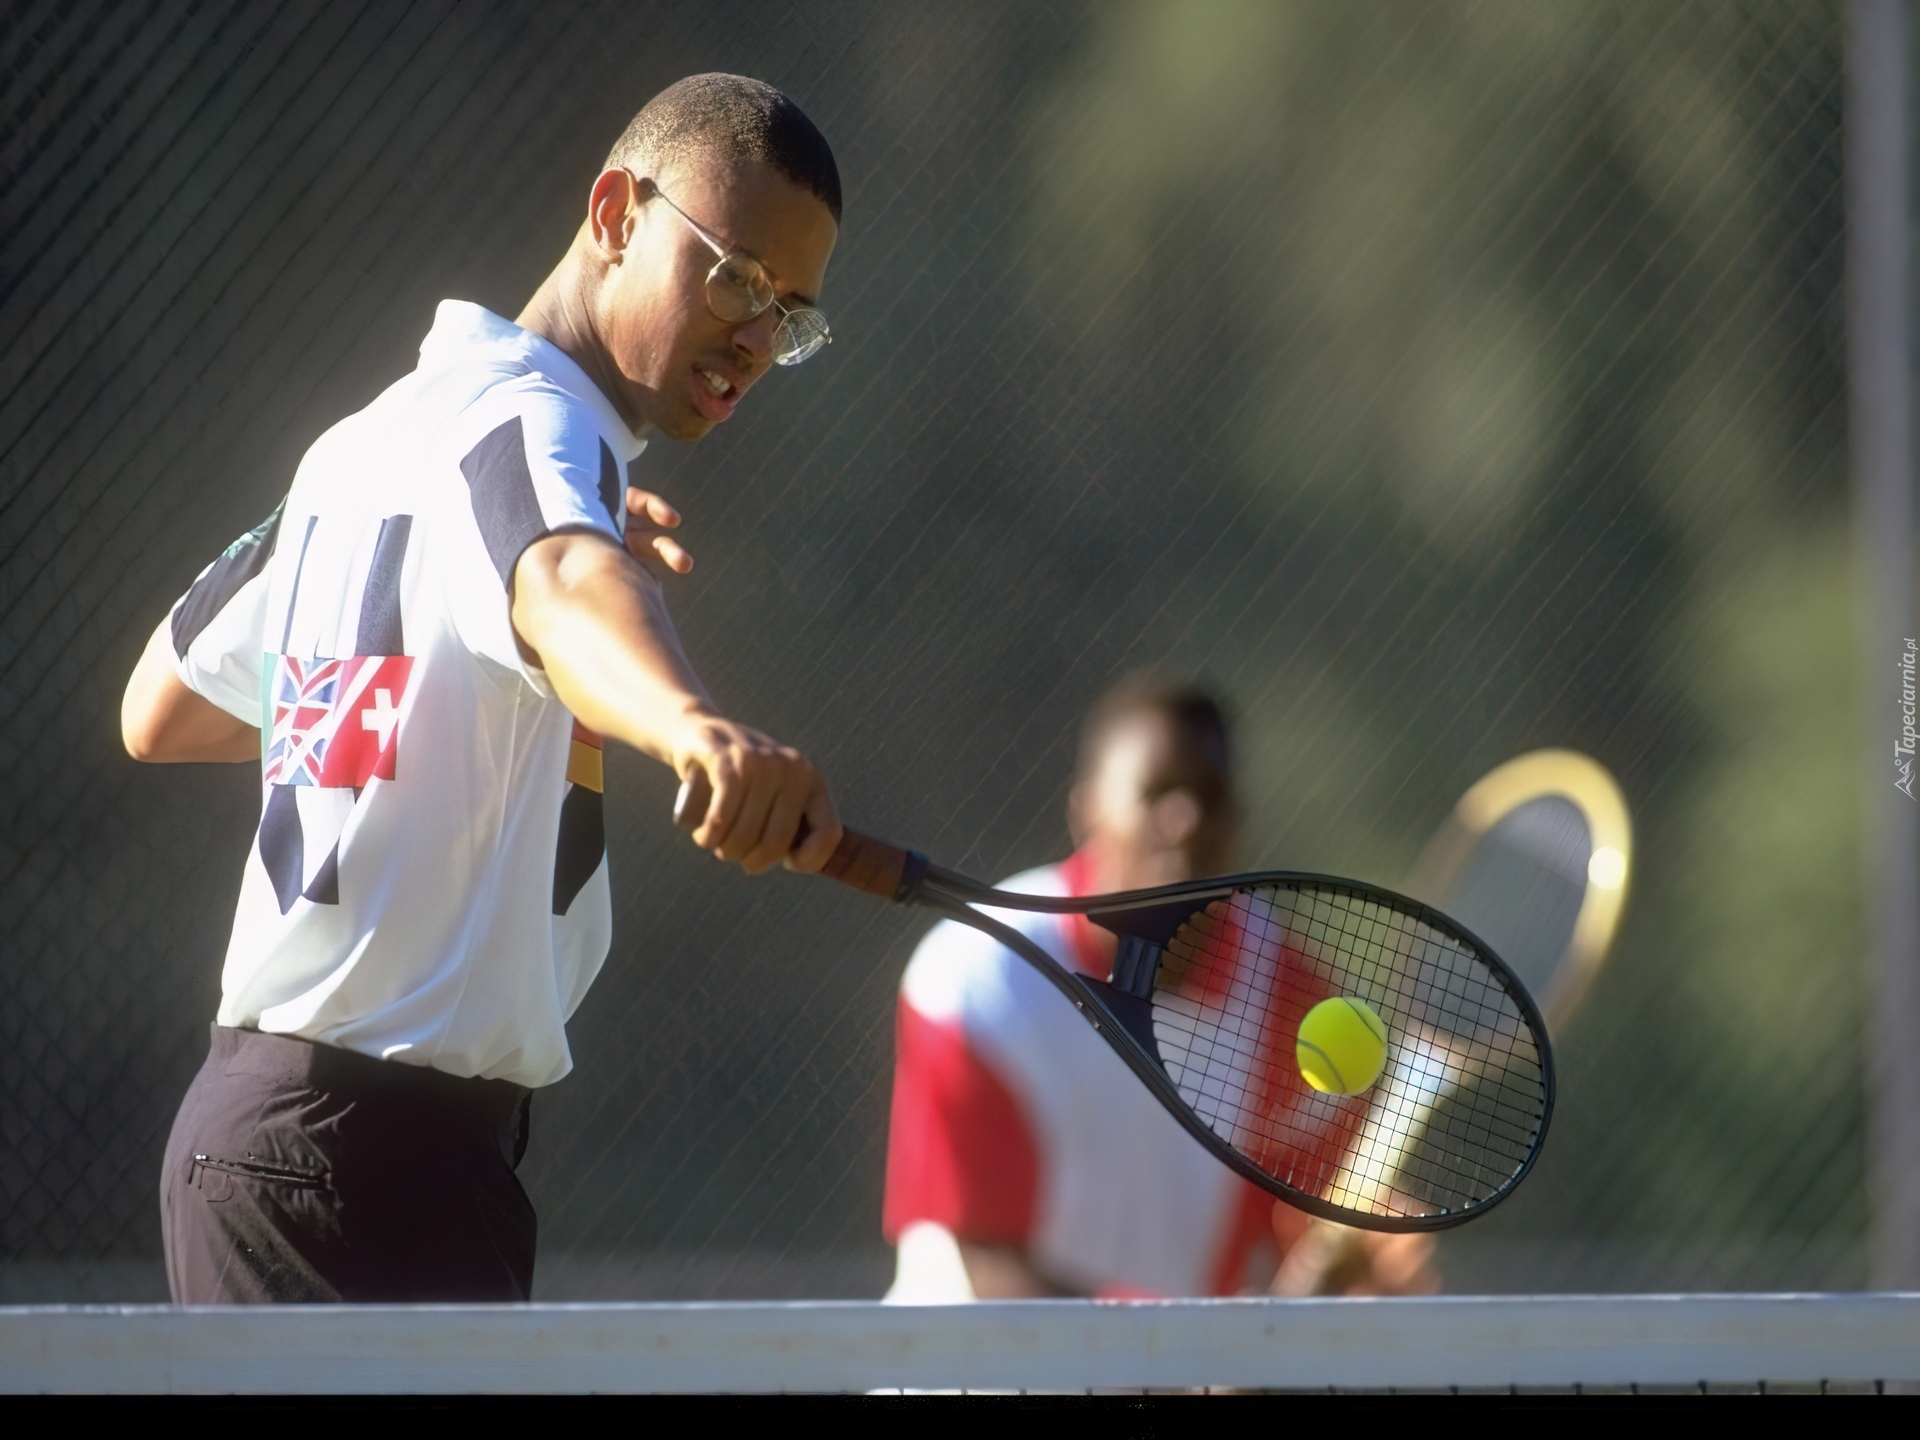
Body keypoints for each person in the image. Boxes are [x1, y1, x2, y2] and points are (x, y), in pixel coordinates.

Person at [119, 74, 844, 1303]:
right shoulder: (535, 426)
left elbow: (161, 704)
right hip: (357, 1168)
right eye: (734, 276)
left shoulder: (366, 446)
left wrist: (458, 633)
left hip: (306, 1152)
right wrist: (696, 729)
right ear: (616, 211)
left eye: (792, 315)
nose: (758, 338)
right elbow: (562, 581)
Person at [880, 676, 1438, 1299]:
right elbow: (990, 1270)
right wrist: (1176, 1369)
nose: (1186, 820)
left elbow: (1315, 1213)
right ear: (1088, 810)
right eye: (1157, 793)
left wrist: (1365, 1254)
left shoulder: (1287, 989)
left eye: (1209, 796)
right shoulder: (977, 978)